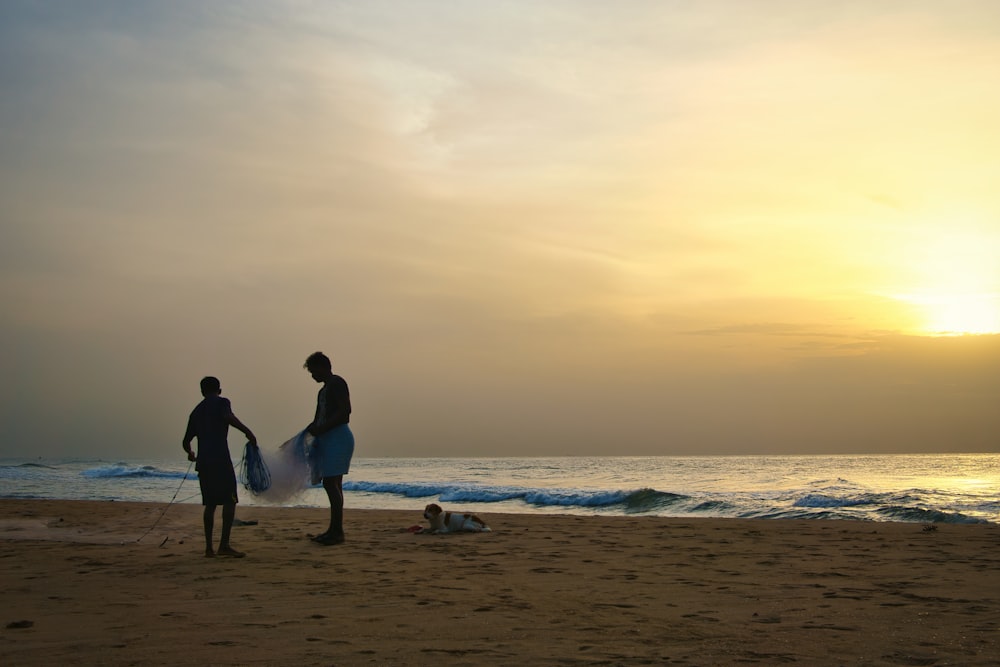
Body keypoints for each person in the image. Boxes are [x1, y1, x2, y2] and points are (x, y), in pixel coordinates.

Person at [182, 376, 256, 558]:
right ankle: (224, 545)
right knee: (230, 501)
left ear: (202, 391)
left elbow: (186, 441)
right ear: (219, 390)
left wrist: (191, 453)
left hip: (204, 463)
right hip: (221, 460)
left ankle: (209, 548)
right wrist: (248, 432)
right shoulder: (223, 402)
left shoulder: (196, 411)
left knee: (210, 504)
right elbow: (228, 417)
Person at [303, 351, 355, 545]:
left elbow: (345, 412)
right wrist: (306, 433)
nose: (312, 376)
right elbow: (318, 419)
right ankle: (334, 530)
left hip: (338, 438)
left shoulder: (337, 383)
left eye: (313, 371)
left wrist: (322, 428)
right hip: (328, 438)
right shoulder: (323, 390)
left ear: (323, 367)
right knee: (333, 484)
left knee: (331, 484)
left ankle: (337, 531)